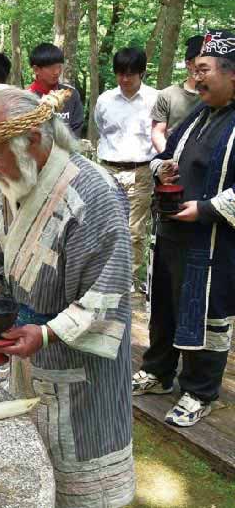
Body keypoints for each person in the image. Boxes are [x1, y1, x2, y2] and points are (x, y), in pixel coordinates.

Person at [0, 87, 135, 507]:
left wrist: (47, 333)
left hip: (81, 367)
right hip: (23, 355)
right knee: (28, 478)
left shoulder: (94, 193)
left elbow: (108, 294)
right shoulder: (0, 181)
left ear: (35, 140)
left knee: (84, 488)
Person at [133, 28, 235, 428]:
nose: (197, 77)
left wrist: (208, 208)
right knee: (166, 305)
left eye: (205, 69)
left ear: (231, 74)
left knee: (206, 314)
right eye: (195, 70)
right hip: (174, 233)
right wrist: (163, 167)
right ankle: (159, 373)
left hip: (213, 241)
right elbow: (165, 151)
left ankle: (200, 391)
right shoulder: (200, 113)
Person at [94, 47, 159, 289]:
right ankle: (103, 274)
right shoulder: (105, 100)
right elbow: (100, 129)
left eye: (130, 74)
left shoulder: (156, 99)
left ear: (141, 73)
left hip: (140, 170)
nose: (124, 79)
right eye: (119, 73)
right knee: (106, 223)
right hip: (109, 169)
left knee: (134, 229)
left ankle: (127, 278)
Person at [151, 35, 205, 152]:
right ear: (188, 63)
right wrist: (169, 157)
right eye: (201, 59)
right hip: (174, 158)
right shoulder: (168, 95)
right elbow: (158, 132)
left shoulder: (217, 96)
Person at [28, 43, 85, 136]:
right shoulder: (26, 98)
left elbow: (76, 129)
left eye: (59, 66)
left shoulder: (71, 94)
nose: (56, 72)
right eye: (50, 68)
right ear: (36, 69)